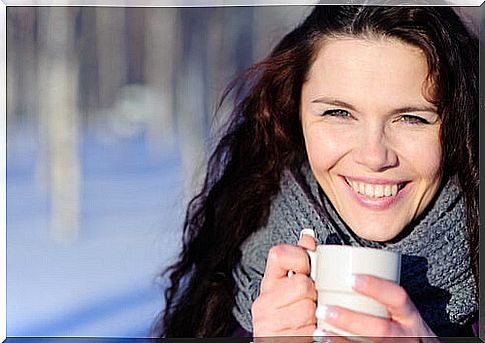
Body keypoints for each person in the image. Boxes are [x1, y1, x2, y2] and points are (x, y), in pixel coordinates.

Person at [152, 5, 479, 339]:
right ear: (295, 115)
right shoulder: (223, 286)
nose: (374, 156)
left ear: (462, 124)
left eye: (411, 118)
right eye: (339, 113)